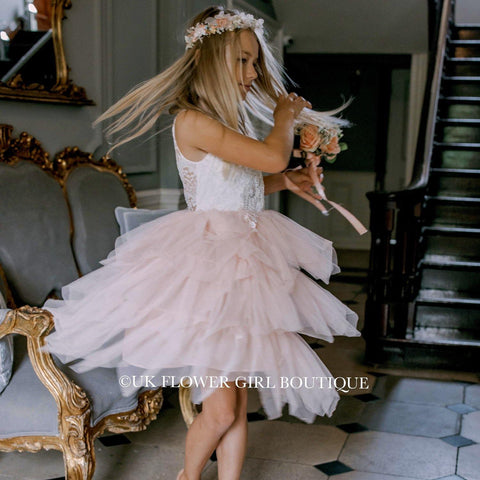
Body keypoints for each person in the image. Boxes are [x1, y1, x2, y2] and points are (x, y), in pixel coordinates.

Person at [43, 6, 361, 480]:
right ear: (213, 60)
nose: (253, 73)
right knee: (220, 409)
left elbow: (242, 188)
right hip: (210, 273)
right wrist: (285, 117)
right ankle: (188, 477)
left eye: (256, 62)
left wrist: (288, 180)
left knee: (235, 402)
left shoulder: (226, 124)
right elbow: (273, 154)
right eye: (244, 61)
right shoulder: (194, 121)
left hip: (244, 266)